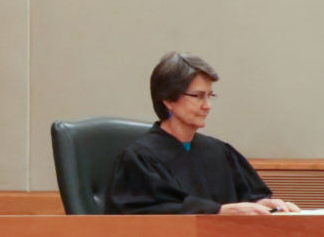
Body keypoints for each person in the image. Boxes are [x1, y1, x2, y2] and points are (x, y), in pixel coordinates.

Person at [103, 52, 299, 215]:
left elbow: (249, 197)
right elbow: (149, 215)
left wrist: (266, 206)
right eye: (197, 96)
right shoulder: (140, 159)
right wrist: (218, 211)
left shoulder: (220, 153)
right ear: (168, 100)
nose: (207, 106)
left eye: (210, 96)